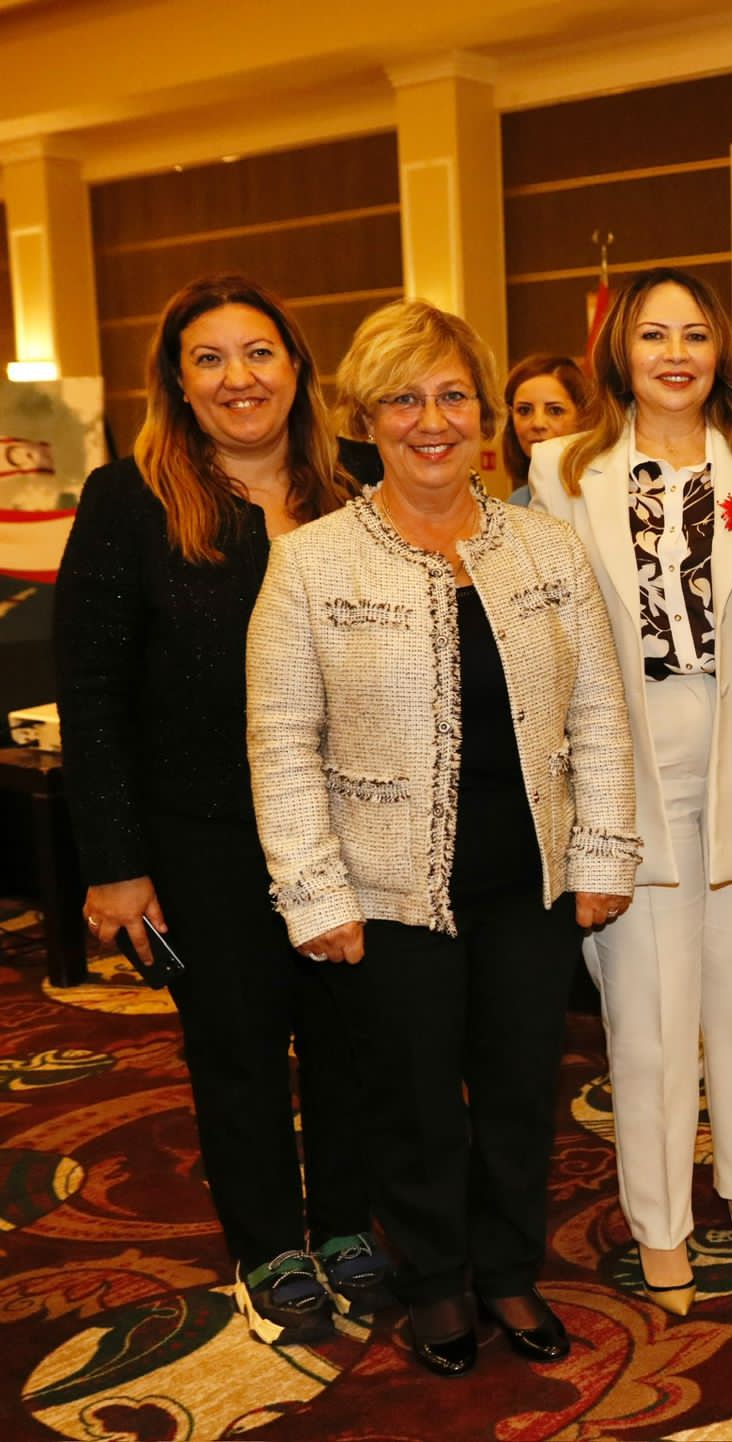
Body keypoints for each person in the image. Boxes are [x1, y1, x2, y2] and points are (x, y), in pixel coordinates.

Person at [246, 299, 640, 1377]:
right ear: (365, 419)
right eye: (405, 399)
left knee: (518, 1092)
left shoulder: (545, 546)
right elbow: (281, 741)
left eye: (454, 395)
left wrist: (604, 852)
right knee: (414, 1102)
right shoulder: (311, 562)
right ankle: (433, 1282)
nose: (433, 420)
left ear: (484, 416)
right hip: (386, 891)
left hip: (527, 881)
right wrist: (313, 892)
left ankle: (507, 1268)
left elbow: (598, 713)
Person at [52, 274, 389, 1346]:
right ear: (179, 382)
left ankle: (346, 1221)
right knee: (237, 1045)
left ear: (296, 367)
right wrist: (115, 862)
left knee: (350, 1038)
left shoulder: (362, 481)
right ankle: (269, 1244)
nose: (238, 378)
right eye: (210, 358)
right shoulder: (129, 499)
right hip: (204, 830)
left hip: (353, 820)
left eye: (258, 352)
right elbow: (92, 689)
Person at [527, 270, 732, 1317]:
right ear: (620, 350)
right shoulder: (561, 469)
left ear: (719, 349)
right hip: (621, 764)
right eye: (653, 334)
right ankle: (660, 1223)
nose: (675, 353)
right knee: (647, 1020)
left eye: (693, 334)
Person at [502, 353, 590, 504]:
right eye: (524, 410)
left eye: (555, 411)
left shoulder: (604, 493)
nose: (538, 424)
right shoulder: (517, 502)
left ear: (583, 417)